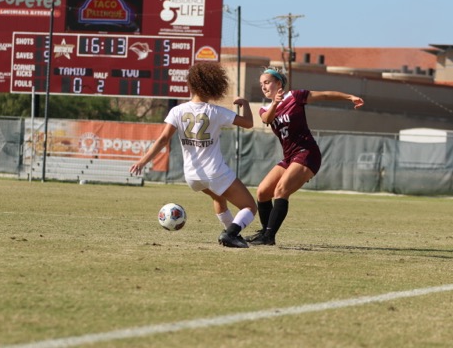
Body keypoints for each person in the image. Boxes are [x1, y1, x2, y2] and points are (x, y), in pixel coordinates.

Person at [130, 62, 256, 249]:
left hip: (192, 176)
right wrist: (245, 104)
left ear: (191, 84)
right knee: (250, 207)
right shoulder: (216, 112)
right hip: (215, 172)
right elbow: (248, 123)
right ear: (214, 86)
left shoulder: (177, 111)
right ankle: (231, 234)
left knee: (219, 199)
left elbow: (163, 139)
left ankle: (233, 235)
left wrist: (142, 161)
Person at [246, 67, 364, 246]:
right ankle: (265, 233)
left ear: (279, 83)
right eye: (261, 84)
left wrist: (349, 97)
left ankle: (269, 236)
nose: (264, 86)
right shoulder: (265, 108)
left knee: (281, 190)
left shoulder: (295, 96)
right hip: (289, 157)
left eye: (267, 82)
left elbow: (323, 95)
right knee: (262, 192)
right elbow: (267, 120)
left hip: (306, 153)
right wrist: (275, 104)